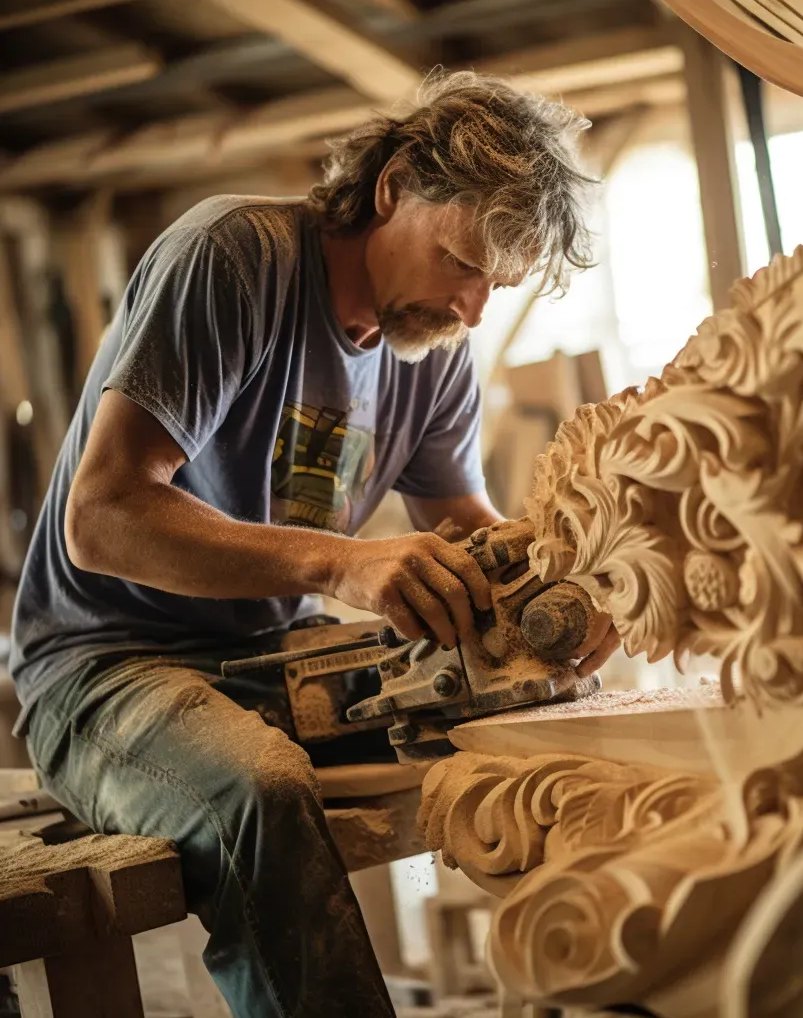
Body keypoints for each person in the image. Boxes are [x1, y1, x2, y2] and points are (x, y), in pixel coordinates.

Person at [8, 71, 621, 1017]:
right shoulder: (236, 259)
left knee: (543, 721)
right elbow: (105, 516)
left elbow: (461, 520)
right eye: (462, 263)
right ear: (394, 186)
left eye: (495, 285)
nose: (471, 314)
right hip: (104, 668)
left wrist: (571, 588)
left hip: (278, 659)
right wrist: (341, 562)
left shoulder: (432, 356)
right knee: (259, 790)